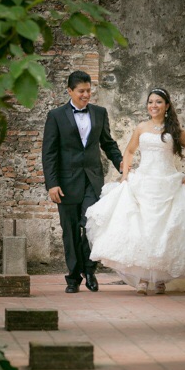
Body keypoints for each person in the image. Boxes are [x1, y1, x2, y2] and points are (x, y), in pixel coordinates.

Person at [85, 87, 185, 294]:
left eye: (158, 102)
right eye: (150, 102)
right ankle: (142, 278)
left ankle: (160, 279)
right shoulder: (141, 127)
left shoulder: (174, 130)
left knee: (164, 232)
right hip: (143, 183)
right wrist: (125, 177)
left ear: (167, 106)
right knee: (143, 229)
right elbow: (129, 151)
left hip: (168, 184)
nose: (153, 106)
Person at [41, 70, 123, 293]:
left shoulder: (99, 113)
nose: (86, 95)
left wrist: (122, 164)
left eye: (89, 90)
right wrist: (52, 184)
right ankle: (73, 277)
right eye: (81, 91)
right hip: (65, 183)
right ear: (69, 91)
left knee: (90, 227)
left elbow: (108, 144)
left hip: (92, 180)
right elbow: (49, 153)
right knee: (69, 230)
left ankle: (89, 270)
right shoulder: (55, 116)